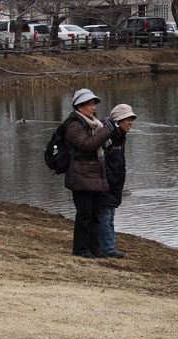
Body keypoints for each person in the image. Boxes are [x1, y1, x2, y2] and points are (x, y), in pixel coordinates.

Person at [64, 88, 119, 258]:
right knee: (85, 214)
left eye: (94, 103)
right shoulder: (74, 125)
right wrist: (107, 130)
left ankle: (95, 249)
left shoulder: (95, 124)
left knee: (95, 213)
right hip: (80, 176)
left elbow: (105, 144)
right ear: (80, 106)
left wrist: (112, 131)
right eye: (90, 104)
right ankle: (81, 249)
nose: (93, 107)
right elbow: (87, 145)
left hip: (95, 175)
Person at [97, 104, 138, 259]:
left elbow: (118, 161)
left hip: (115, 183)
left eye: (132, 119)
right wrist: (107, 178)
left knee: (110, 215)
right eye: (127, 119)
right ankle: (107, 248)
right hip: (106, 182)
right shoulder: (108, 135)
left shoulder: (121, 135)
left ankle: (109, 246)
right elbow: (102, 160)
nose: (130, 122)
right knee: (105, 215)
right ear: (118, 120)